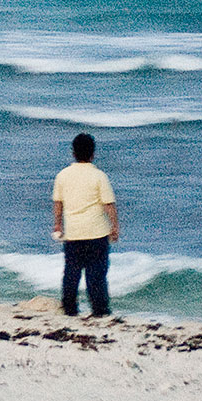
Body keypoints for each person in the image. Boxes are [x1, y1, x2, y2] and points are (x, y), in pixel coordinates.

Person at [51, 132, 118, 317]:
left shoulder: (62, 175)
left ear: (73, 153)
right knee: (96, 274)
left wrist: (57, 225)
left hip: (73, 233)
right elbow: (109, 205)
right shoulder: (99, 176)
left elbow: (58, 203)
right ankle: (99, 309)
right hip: (96, 232)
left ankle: (70, 308)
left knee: (71, 273)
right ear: (93, 153)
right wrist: (115, 227)